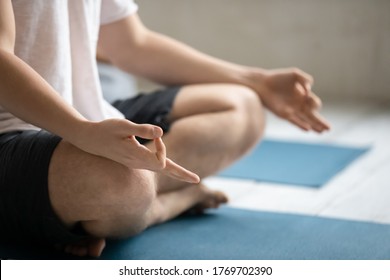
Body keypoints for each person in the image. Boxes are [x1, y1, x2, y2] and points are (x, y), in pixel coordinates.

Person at [0, 0, 330, 257]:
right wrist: (81, 130)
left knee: (242, 104)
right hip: (10, 136)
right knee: (121, 179)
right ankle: (158, 204)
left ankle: (124, 206)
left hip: (85, 118)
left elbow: (132, 44)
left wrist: (258, 81)